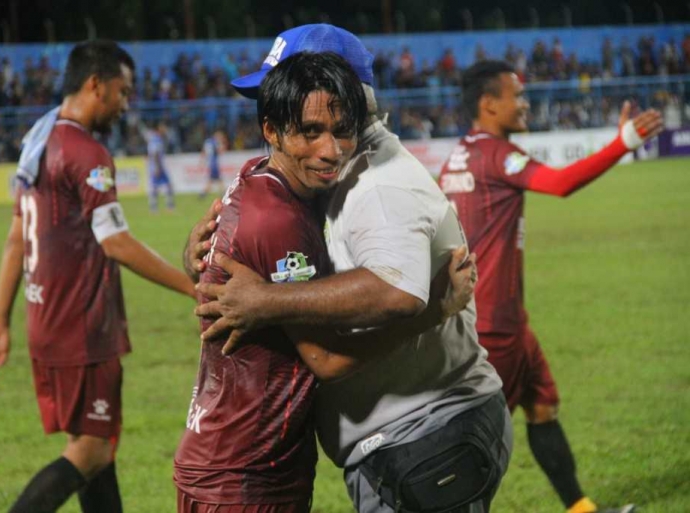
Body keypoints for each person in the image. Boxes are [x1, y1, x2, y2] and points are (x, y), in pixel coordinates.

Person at [187, 24, 512, 513]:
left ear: (348, 97)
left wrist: (265, 301)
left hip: (425, 434)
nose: (271, 112)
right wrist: (198, 250)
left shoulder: (377, 186)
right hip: (395, 436)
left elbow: (396, 293)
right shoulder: (316, 173)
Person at [0, 40, 195, 513]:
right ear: (96, 84)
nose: (126, 104)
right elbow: (116, 242)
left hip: (45, 318)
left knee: (98, 449)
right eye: (123, 91)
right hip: (81, 326)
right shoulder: (87, 152)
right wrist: (193, 287)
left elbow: (15, 239)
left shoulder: (40, 139)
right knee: (91, 450)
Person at [438, 60, 664, 513]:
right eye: (515, 95)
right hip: (492, 326)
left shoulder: (463, 154)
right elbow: (559, 183)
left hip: (504, 321)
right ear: (488, 103)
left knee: (543, 409)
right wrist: (624, 143)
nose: (524, 103)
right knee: (477, 443)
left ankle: (580, 509)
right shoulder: (497, 154)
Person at [174, 51, 369, 512]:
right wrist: (428, 310)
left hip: (228, 458)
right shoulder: (277, 220)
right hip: (244, 473)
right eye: (310, 132)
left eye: (342, 131)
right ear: (272, 131)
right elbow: (328, 360)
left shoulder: (255, 175)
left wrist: (192, 255)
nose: (331, 150)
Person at [144, 120, 175, 212]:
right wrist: (157, 167)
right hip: (157, 167)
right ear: (159, 129)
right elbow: (155, 154)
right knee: (156, 187)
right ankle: (155, 207)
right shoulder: (156, 140)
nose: (165, 129)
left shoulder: (155, 139)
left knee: (164, 185)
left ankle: (167, 206)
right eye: (163, 127)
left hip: (157, 166)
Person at [199, 129, 226, 198]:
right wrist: (222, 144)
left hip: (210, 162)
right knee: (217, 179)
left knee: (213, 179)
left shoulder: (208, 141)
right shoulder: (215, 142)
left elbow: (204, 151)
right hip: (214, 163)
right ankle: (223, 193)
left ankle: (203, 194)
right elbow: (220, 151)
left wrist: (202, 161)